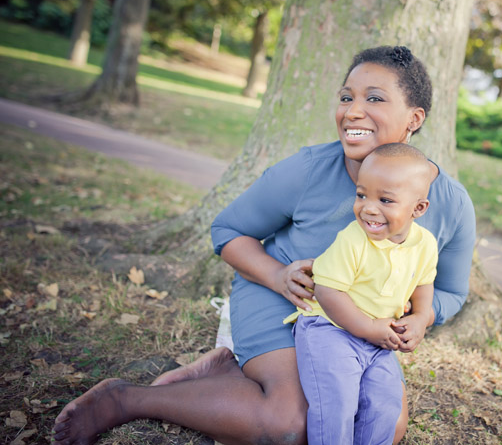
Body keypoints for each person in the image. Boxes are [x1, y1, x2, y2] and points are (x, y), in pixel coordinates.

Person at [52, 45, 476, 445]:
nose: (353, 111)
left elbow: (453, 292)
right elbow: (228, 230)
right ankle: (125, 398)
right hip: (287, 303)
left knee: (382, 428)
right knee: (291, 424)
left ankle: (226, 371)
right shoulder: (308, 170)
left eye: (375, 99)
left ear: (414, 118)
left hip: (361, 327)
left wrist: (421, 317)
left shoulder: (450, 204)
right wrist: (277, 275)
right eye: (346, 97)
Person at [287, 143, 437, 444]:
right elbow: (329, 292)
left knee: (385, 404)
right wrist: (368, 329)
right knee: (337, 399)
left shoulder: (425, 245)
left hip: (379, 341)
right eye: (361, 195)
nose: (368, 207)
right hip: (330, 328)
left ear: (418, 209)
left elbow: (423, 286)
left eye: (385, 200)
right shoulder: (353, 240)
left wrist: (420, 318)